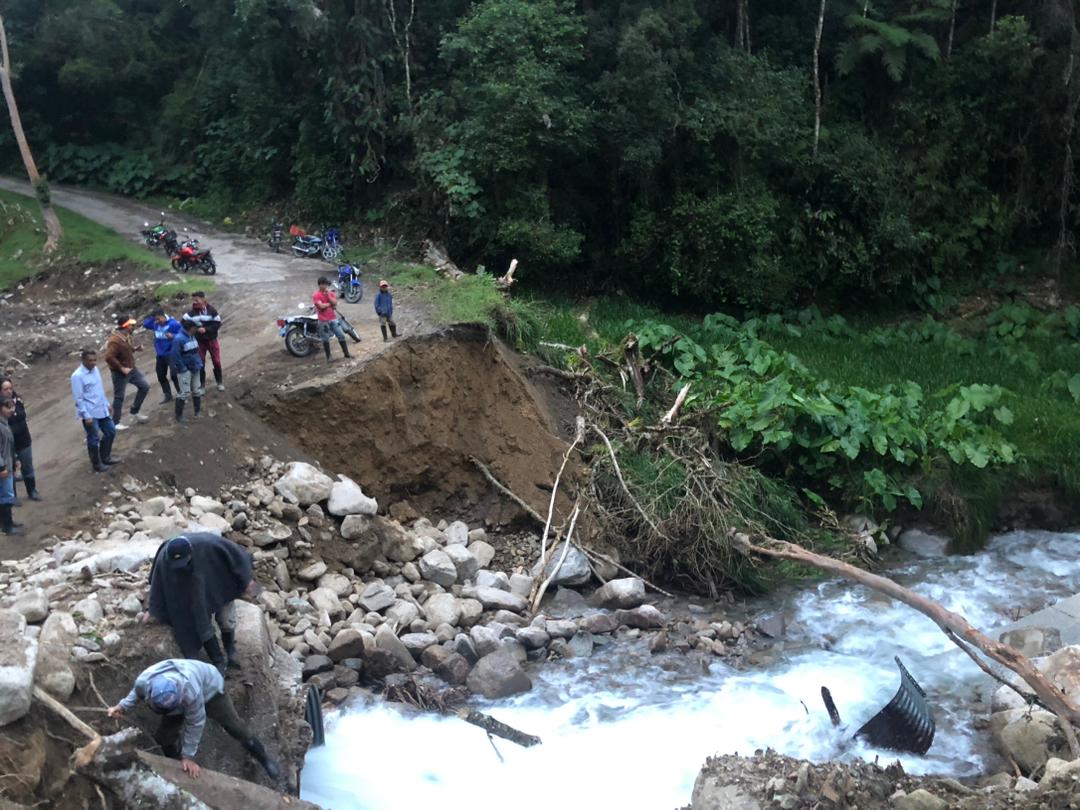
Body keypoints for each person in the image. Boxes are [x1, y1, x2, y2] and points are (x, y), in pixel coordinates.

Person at [107, 658, 280, 780]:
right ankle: (175, 767)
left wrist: (189, 756)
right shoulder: (145, 681)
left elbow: (196, 723)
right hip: (177, 699)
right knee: (163, 739)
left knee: (234, 726)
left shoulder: (190, 691)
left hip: (210, 690)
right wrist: (121, 706)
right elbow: (136, 693)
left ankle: (264, 759)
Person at [145, 534, 256, 673]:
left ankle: (230, 649)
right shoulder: (164, 560)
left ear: (190, 553)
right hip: (187, 589)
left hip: (217, 581)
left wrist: (246, 580)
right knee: (200, 622)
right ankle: (218, 661)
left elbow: (236, 555)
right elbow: (157, 585)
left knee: (226, 619)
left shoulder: (208, 544)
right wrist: (153, 609)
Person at [71, 349, 120, 473]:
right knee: (93, 439)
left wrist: (107, 403)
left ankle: (106, 457)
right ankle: (96, 464)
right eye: (90, 360)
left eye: (94, 360)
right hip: (90, 413)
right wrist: (86, 415)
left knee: (110, 431)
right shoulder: (77, 376)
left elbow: (99, 389)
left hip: (101, 408)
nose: (93, 363)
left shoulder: (96, 370)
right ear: (83, 360)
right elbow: (79, 398)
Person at [103, 316, 151, 430]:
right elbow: (109, 357)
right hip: (120, 372)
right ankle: (115, 423)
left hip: (131, 368)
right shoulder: (114, 340)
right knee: (119, 396)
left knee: (144, 387)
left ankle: (134, 412)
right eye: (131, 325)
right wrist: (121, 368)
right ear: (125, 326)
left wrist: (135, 349)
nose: (133, 327)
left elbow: (126, 350)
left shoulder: (127, 336)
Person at [0, 378, 40, 503]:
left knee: (27, 467)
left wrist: (13, 416)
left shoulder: (17, 400)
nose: (9, 391)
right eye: (5, 389)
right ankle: (13, 496)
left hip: (23, 440)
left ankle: (32, 490)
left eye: (10, 388)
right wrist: (14, 416)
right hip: (7, 445)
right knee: (10, 470)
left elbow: (21, 415)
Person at [186, 292, 224, 392]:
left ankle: (219, 382)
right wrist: (195, 329)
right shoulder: (191, 313)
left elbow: (218, 324)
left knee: (216, 361)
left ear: (203, 299)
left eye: (197, 300)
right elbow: (184, 323)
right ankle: (202, 386)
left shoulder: (212, 310)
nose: (195, 302)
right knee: (200, 363)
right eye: (193, 300)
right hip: (199, 342)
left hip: (212, 340)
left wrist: (206, 329)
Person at [143, 308, 183, 404]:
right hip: (160, 355)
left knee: (174, 375)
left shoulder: (173, 324)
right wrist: (153, 317)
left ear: (163, 316)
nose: (157, 322)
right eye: (155, 320)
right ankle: (168, 395)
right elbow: (145, 323)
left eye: (158, 319)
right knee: (161, 376)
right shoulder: (155, 324)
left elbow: (183, 335)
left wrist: (173, 336)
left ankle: (181, 393)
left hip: (171, 353)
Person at [169, 317, 204, 424]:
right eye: (196, 327)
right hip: (185, 370)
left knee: (197, 390)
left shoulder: (192, 336)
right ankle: (179, 416)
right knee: (184, 393)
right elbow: (175, 356)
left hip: (195, 368)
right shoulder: (179, 339)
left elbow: (195, 352)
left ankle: (197, 412)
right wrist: (183, 369)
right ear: (191, 328)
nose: (198, 329)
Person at [313, 276, 351, 363]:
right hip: (323, 320)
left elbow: (335, 304)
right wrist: (329, 304)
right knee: (325, 339)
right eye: (324, 284)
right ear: (320, 285)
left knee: (340, 335)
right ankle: (329, 357)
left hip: (332, 318)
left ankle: (346, 353)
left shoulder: (330, 293)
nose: (325, 286)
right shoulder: (316, 295)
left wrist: (328, 298)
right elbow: (321, 306)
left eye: (326, 284)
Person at [0, 397, 22, 535]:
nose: (11, 410)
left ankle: (8, 523)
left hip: (8, 464)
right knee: (5, 496)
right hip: (3, 467)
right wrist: (1, 467)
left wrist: (15, 459)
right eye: (7, 407)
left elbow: (9, 446)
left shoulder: (4, 423)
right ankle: (7, 526)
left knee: (7, 495)